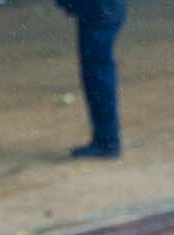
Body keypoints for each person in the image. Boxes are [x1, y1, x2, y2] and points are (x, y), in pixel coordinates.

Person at [57, 0, 125, 158]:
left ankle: (107, 140)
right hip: (101, 11)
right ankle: (106, 139)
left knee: (97, 75)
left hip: (99, 11)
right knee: (97, 73)